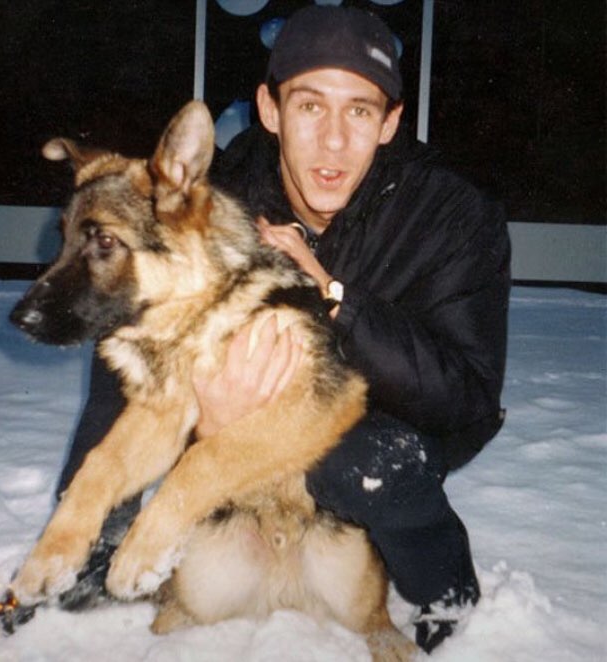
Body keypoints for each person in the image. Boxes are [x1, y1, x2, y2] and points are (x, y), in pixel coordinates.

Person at [56, 6, 510, 654]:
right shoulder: (222, 200)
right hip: (252, 441)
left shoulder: (453, 214)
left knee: (363, 462)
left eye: (359, 111)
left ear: (390, 122)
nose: (333, 141)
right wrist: (205, 412)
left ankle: (445, 591)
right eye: (310, 106)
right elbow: (134, 337)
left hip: (393, 421)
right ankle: (93, 552)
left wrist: (333, 296)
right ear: (269, 110)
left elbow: (465, 396)